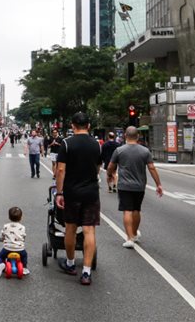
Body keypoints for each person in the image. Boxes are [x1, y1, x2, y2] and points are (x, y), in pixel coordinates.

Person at [56, 112, 101, 285]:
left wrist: (59, 193)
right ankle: (87, 272)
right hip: (91, 192)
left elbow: (61, 170)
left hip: (72, 192)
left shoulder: (66, 143)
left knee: (71, 229)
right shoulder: (96, 144)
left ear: (72, 126)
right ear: (88, 126)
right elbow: (98, 167)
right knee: (89, 230)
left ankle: (70, 263)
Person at [107, 126, 163, 248]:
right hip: (139, 186)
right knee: (136, 209)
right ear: (138, 137)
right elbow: (152, 168)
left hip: (124, 185)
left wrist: (110, 174)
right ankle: (134, 234)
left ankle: (129, 238)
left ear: (125, 136)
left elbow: (111, 166)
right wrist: (158, 184)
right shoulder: (145, 151)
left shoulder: (119, 150)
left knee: (127, 210)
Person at [0, 206, 29, 277]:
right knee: (24, 255)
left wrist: (1, 239)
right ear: (21, 217)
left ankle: (1, 264)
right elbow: (24, 237)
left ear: (9, 217)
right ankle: (24, 267)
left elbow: (1, 236)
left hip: (7, 249)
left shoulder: (6, 226)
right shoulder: (22, 227)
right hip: (19, 249)